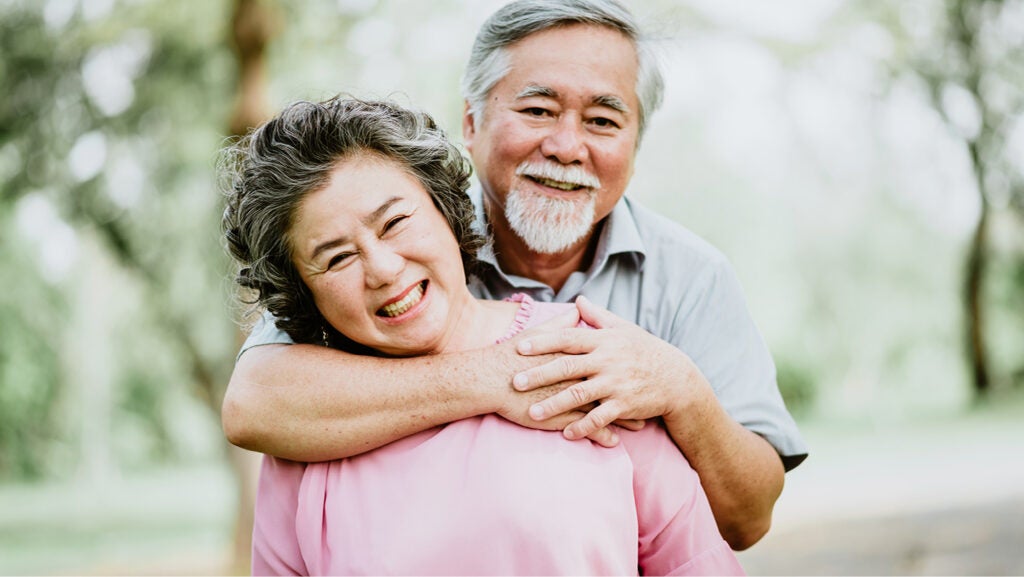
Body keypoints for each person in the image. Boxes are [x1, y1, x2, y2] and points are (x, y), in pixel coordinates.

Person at [223, 0, 808, 550]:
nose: (566, 146)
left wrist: (680, 387)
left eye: (603, 121)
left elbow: (746, 520)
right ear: (471, 123)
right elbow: (254, 405)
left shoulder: (693, 276)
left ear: (635, 144)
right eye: (537, 110)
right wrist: (495, 376)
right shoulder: (406, 253)